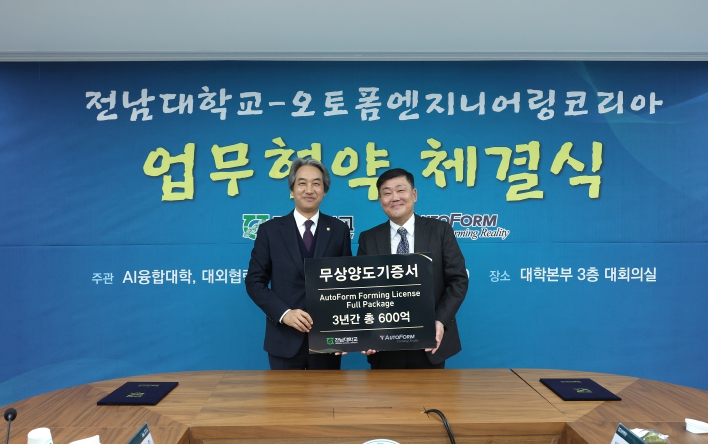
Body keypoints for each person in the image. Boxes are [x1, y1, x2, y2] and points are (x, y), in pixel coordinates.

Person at [246, 158, 352, 370]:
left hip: (327, 339)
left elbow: (347, 283)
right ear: (292, 189)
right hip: (284, 340)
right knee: (285, 394)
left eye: (316, 183)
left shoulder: (339, 230)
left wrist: (344, 331)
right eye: (302, 183)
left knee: (326, 393)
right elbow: (254, 281)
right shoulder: (270, 230)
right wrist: (285, 314)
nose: (309, 190)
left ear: (324, 190)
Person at [357, 168, 468, 369]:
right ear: (380, 199)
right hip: (384, 345)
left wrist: (440, 321)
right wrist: (366, 330)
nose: (394, 198)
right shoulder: (368, 238)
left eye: (401, 190)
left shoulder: (440, 231)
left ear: (414, 194)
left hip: (430, 343)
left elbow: (458, 280)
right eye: (387, 193)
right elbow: (362, 289)